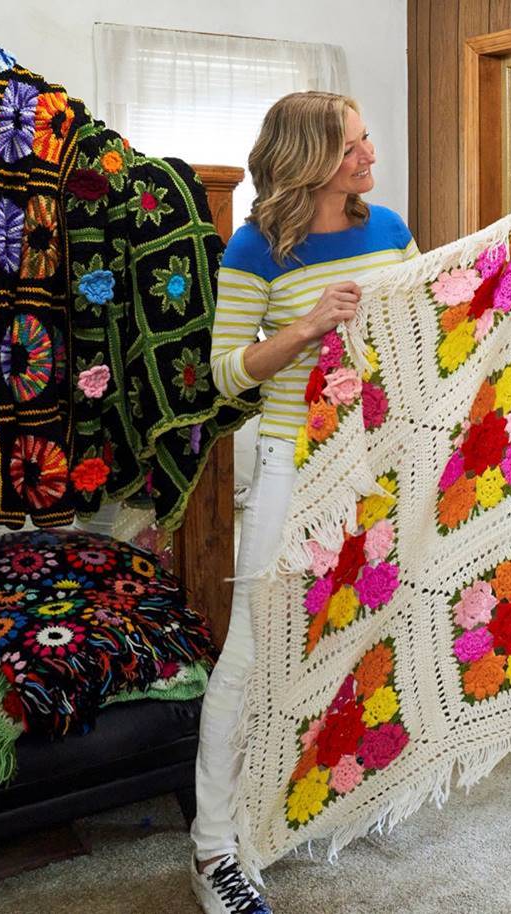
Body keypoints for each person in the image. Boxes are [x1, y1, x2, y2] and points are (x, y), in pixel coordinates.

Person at [189, 91, 418, 914]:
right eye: (354, 146)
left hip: (381, 463)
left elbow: (421, 330)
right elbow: (228, 373)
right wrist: (311, 326)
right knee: (251, 657)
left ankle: (319, 801)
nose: (369, 156)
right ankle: (214, 849)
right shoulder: (257, 248)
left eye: (365, 140)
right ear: (310, 158)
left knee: (362, 637)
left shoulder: (389, 229)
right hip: (296, 467)